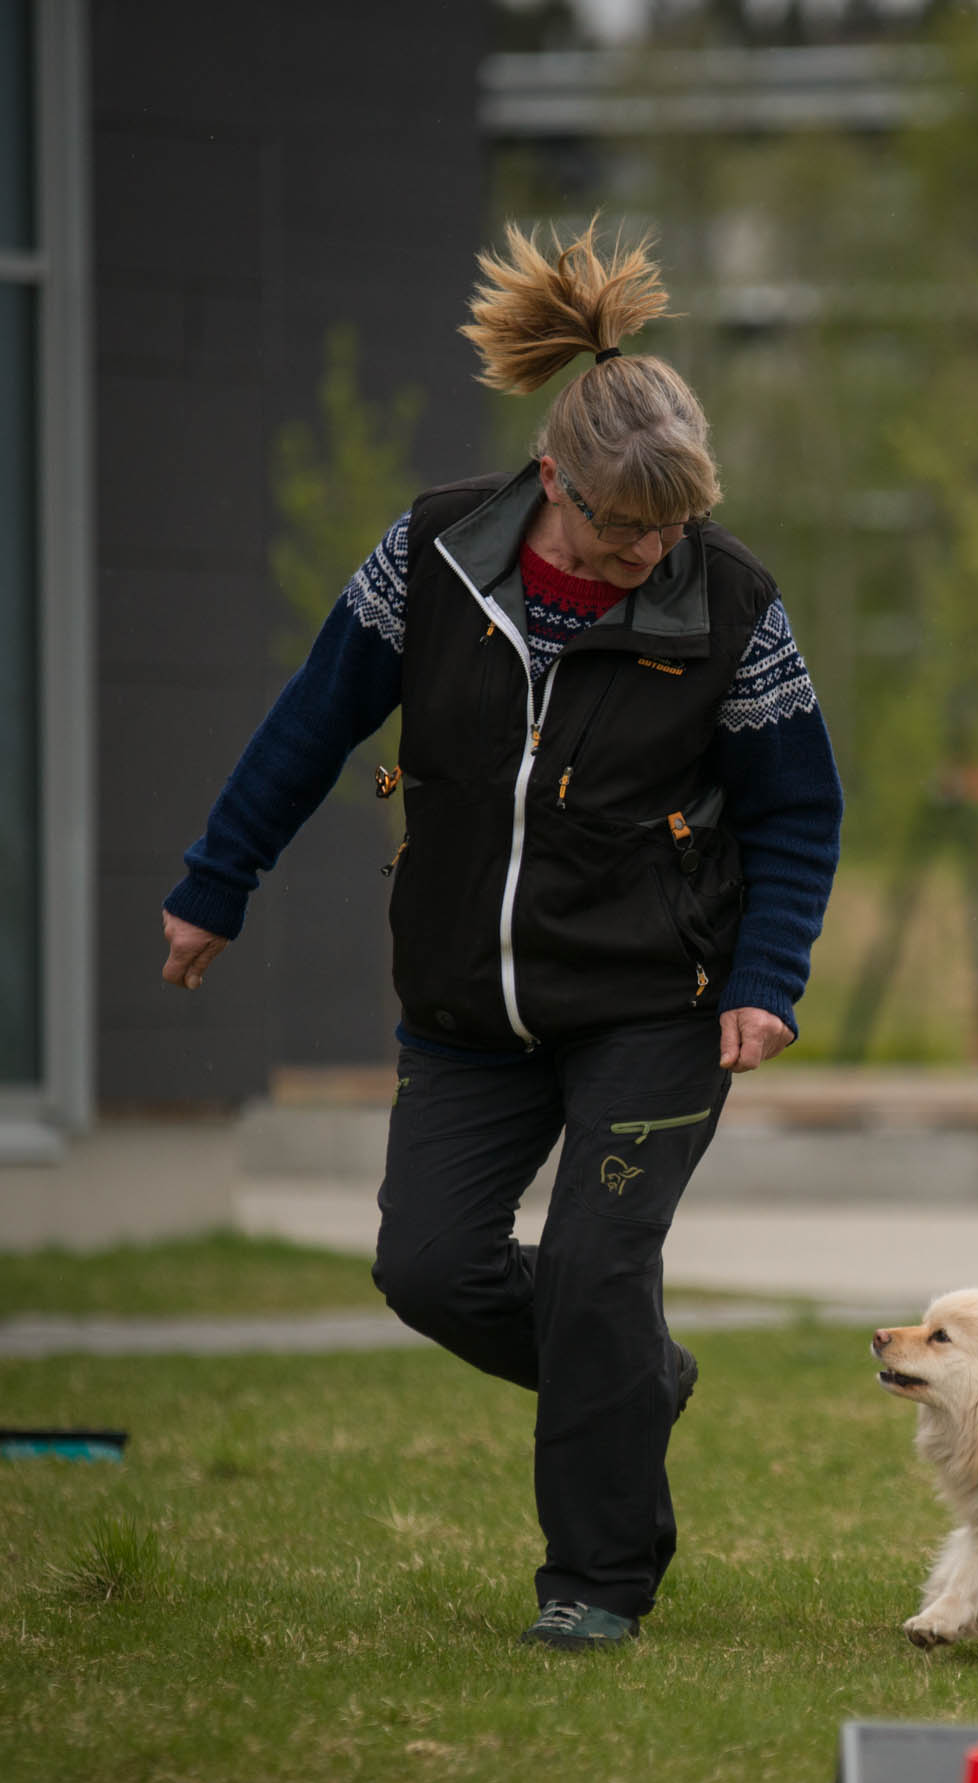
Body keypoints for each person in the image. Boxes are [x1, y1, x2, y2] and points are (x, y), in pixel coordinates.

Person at [160, 223, 842, 1652]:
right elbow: (312, 721)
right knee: (430, 1270)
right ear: (555, 481)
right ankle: (634, 1379)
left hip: (659, 1001)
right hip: (471, 1008)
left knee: (597, 1267)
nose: (650, 551)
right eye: (620, 528)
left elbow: (797, 814)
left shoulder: (734, 607)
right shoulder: (431, 552)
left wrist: (769, 983)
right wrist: (218, 882)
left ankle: (595, 1587)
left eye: (670, 528)